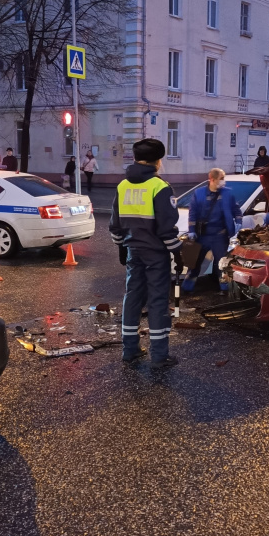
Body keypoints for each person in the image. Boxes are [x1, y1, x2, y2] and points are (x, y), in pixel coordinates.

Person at [109, 138, 182, 369]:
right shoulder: (160, 187)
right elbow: (166, 228)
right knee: (157, 300)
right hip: (155, 254)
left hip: (133, 251)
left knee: (132, 298)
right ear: (158, 161)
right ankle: (159, 356)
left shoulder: (123, 186)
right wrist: (177, 252)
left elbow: (116, 224)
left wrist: (121, 247)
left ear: (135, 158)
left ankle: (130, 350)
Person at [183, 168, 242, 293]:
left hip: (219, 236)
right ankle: (187, 287)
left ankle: (224, 288)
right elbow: (192, 213)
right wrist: (191, 230)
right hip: (202, 236)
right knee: (194, 263)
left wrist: (238, 222)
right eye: (221, 179)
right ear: (212, 179)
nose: (223, 181)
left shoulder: (227, 194)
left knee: (222, 265)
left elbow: (237, 210)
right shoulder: (199, 193)